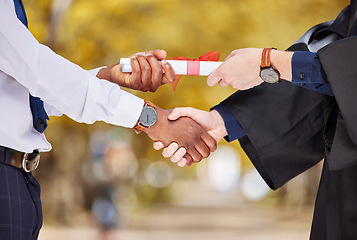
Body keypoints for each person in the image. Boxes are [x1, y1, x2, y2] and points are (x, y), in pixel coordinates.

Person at [0, 0, 216, 239]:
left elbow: (28, 98)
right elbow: (37, 71)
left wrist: (108, 77)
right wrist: (149, 118)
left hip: (18, 178)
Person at [158, 1, 357, 239]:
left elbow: (342, 67)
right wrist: (223, 120)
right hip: (343, 188)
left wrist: (270, 63)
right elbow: (333, 60)